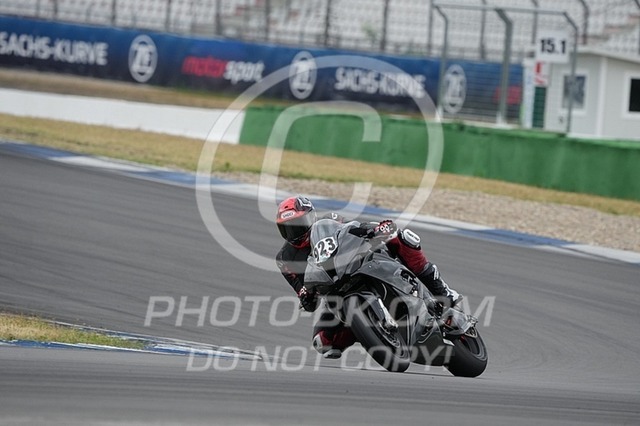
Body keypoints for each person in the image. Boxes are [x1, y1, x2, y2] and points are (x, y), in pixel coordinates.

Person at [275, 195, 462, 359]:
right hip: (334, 290)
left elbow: (353, 229)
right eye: (287, 229)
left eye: (298, 224)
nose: (294, 232)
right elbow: (303, 293)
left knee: (402, 237)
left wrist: (375, 229)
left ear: (310, 216)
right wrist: (305, 296)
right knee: (322, 341)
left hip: (357, 262)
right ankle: (373, 330)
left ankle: (442, 290)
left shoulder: (329, 220)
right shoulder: (284, 259)